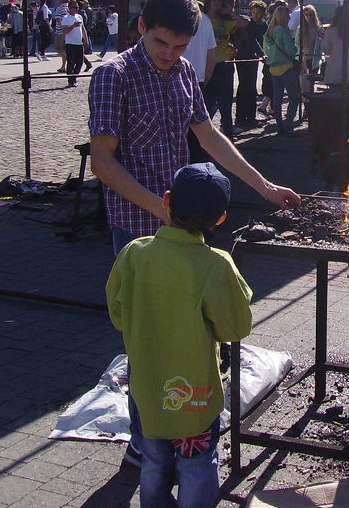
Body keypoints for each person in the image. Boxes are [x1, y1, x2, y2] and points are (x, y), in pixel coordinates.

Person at [89, 0, 298, 466]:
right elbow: (102, 161)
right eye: (162, 43)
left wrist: (262, 186)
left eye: (180, 46)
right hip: (138, 228)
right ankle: (146, 442)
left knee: (189, 336)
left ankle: (183, 426)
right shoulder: (112, 75)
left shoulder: (183, 71)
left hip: (184, 225)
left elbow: (210, 136)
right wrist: (158, 209)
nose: (170, 55)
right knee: (148, 341)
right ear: (143, 28)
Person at [105, 162, 251, 508]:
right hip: (195, 397)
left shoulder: (134, 253)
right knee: (197, 466)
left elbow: (118, 315)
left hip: (147, 391)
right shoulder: (215, 264)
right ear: (220, 218)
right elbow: (235, 328)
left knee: (153, 462)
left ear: (166, 200)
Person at [203, 0, 245, 138]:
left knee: (226, 105)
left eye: (220, 0)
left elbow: (244, 23)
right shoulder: (202, 19)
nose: (216, 3)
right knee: (207, 105)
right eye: (214, 0)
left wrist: (228, 11)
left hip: (223, 64)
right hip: (207, 65)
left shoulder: (223, 20)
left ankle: (228, 136)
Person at [263, 3, 300, 134]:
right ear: (283, 17)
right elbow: (290, 50)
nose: (290, 18)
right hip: (286, 67)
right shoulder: (283, 31)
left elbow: (265, 49)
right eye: (288, 16)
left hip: (273, 68)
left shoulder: (269, 32)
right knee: (294, 98)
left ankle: (280, 126)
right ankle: (289, 125)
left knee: (277, 99)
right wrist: (295, 49)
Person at [234, 0, 267, 129]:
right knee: (244, 87)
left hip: (253, 59)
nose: (255, 15)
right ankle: (241, 117)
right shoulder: (248, 24)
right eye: (253, 13)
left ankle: (250, 116)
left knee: (251, 88)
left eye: (258, 13)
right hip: (243, 57)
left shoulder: (262, 26)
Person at [321, 2, 349, 92]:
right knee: (345, 93)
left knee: (334, 95)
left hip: (334, 65)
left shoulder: (330, 31)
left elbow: (327, 51)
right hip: (348, 64)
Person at [298, 4, 323, 94]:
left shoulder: (318, 28)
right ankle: (304, 100)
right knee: (303, 82)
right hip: (304, 58)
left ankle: (310, 102)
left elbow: (322, 43)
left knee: (312, 81)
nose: (308, 17)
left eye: (311, 15)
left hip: (315, 57)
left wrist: (322, 36)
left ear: (314, 15)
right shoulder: (300, 28)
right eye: (306, 14)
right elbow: (297, 44)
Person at [60, 0, 85, 87]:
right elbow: (65, 31)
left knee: (80, 62)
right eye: (74, 7)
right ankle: (70, 80)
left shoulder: (79, 16)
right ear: (69, 8)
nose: (76, 9)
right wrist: (73, 25)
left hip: (79, 43)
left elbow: (83, 28)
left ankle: (74, 78)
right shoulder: (66, 18)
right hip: (70, 43)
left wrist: (85, 38)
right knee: (71, 62)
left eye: (77, 7)